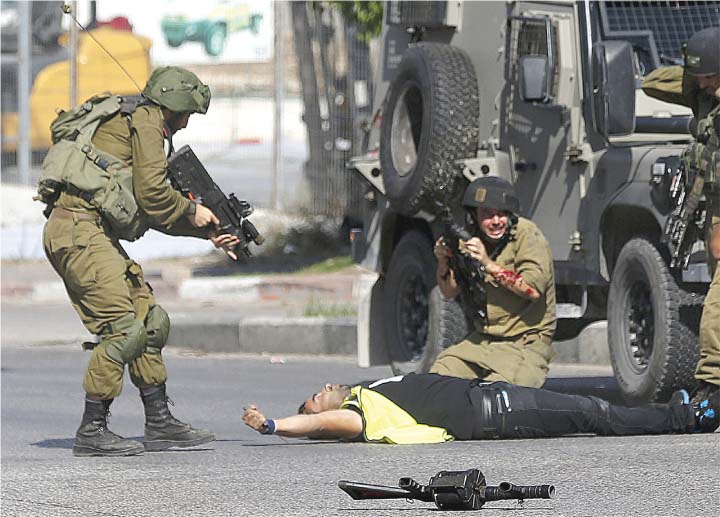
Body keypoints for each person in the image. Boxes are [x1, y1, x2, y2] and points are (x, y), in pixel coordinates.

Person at [41, 66, 240, 457]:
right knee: (123, 331)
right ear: (176, 106)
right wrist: (192, 210)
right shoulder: (147, 121)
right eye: (187, 115)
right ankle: (92, 430)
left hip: (91, 232)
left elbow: (152, 213)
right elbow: (154, 196)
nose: (185, 125)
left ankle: (159, 421)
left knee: (150, 322)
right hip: (77, 231)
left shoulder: (140, 122)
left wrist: (208, 232)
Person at [242, 373, 720, 443]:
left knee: (590, 408)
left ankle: (671, 411)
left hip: (494, 396)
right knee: (595, 413)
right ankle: (690, 418)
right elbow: (323, 422)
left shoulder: (371, 391)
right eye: (316, 394)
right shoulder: (358, 414)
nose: (323, 389)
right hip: (498, 410)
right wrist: (273, 424)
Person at [642, 27, 720, 403]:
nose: (702, 83)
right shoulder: (703, 94)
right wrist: (695, 75)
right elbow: (652, 82)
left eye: (708, 76)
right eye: (699, 76)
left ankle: (713, 383)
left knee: (717, 305)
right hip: (713, 212)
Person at [427, 176, 556, 388]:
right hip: (483, 340)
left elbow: (532, 290)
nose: (496, 221)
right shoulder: (470, 240)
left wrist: (488, 263)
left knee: (501, 397)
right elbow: (450, 292)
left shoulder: (527, 235)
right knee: (437, 382)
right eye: (487, 215)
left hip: (524, 342)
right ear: (474, 217)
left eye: (501, 214)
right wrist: (443, 261)